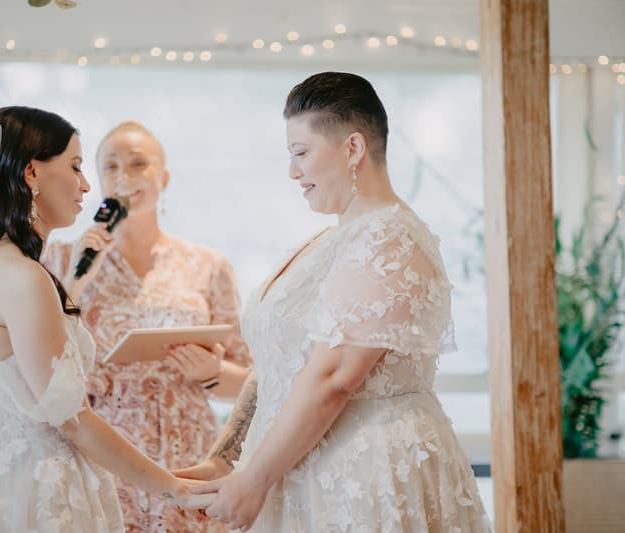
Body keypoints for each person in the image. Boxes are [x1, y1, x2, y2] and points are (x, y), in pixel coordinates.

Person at [176, 73, 491, 532]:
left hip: (363, 476)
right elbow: (279, 369)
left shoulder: (390, 240)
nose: (292, 172)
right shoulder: (329, 243)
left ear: (352, 148)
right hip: (296, 470)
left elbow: (334, 377)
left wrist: (256, 479)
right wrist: (226, 459)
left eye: (301, 153)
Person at [0, 107, 209, 533]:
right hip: (43, 494)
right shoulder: (23, 277)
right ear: (32, 173)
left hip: (7, 479)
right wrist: (174, 488)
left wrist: (73, 280)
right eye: (75, 166)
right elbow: (73, 421)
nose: (86, 185)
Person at [45, 121, 252, 532]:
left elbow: (250, 385)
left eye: (138, 164)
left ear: (164, 177)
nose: (124, 176)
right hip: (102, 453)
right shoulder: (61, 258)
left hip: (189, 452)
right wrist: (74, 281)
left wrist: (212, 373)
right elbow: (42, 362)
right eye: (111, 166)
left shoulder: (207, 266)